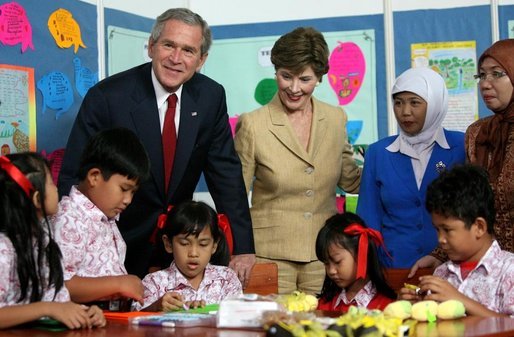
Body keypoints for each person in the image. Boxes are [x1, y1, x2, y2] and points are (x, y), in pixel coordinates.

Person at [57, 8, 255, 284]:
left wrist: (243, 247)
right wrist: (74, 245)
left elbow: (226, 172)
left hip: (179, 246)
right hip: (113, 245)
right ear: (151, 46)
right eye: (168, 45)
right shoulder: (107, 97)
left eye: (188, 51)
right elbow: (74, 176)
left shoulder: (211, 96)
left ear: (201, 60)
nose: (176, 59)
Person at [234, 27, 361, 295]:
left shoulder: (336, 118)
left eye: (305, 79)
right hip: (268, 253)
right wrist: (240, 250)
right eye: (285, 76)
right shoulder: (254, 124)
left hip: (325, 255)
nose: (294, 88)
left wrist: (391, 161)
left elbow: (350, 179)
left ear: (320, 77)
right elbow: (235, 195)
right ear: (276, 72)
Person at [409, 39, 514, 276]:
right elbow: (468, 203)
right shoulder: (478, 133)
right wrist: (439, 255)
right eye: (481, 76)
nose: (486, 84)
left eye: (497, 74)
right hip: (488, 271)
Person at [356, 67, 465, 268]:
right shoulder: (378, 153)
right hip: (393, 268)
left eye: (414, 103)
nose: (405, 112)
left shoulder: (462, 146)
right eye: (398, 103)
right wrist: (376, 268)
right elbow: (368, 219)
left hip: (452, 266)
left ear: (434, 104)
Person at [0, 153, 105, 329]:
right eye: (51, 183)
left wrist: (85, 313)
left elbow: (58, 303)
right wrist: (46, 309)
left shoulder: (45, 246)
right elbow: (50, 307)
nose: (56, 188)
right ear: (37, 199)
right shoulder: (4, 250)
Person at [51, 128, 150, 310]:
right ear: (94, 177)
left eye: (133, 192)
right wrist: (118, 284)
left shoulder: (107, 218)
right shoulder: (69, 218)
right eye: (123, 189)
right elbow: (58, 285)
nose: (128, 200)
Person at [399, 164, 514, 317]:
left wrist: (460, 300)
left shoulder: (508, 271)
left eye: (447, 230)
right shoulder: (441, 273)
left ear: (479, 227)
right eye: (437, 229)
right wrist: (412, 307)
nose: (440, 239)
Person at [133, 200, 242, 311]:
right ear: (168, 243)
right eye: (184, 243)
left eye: (203, 244)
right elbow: (133, 319)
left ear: (214, 245)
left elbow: (238, 317)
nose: (193, 253)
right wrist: (156, 307)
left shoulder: (226, 279)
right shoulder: (154, 282)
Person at [315, 212, 396, 312]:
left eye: (337, 262)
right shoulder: (324, 304)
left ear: (362, 253)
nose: (331, 271)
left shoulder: (387, 307)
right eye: (326, 263)